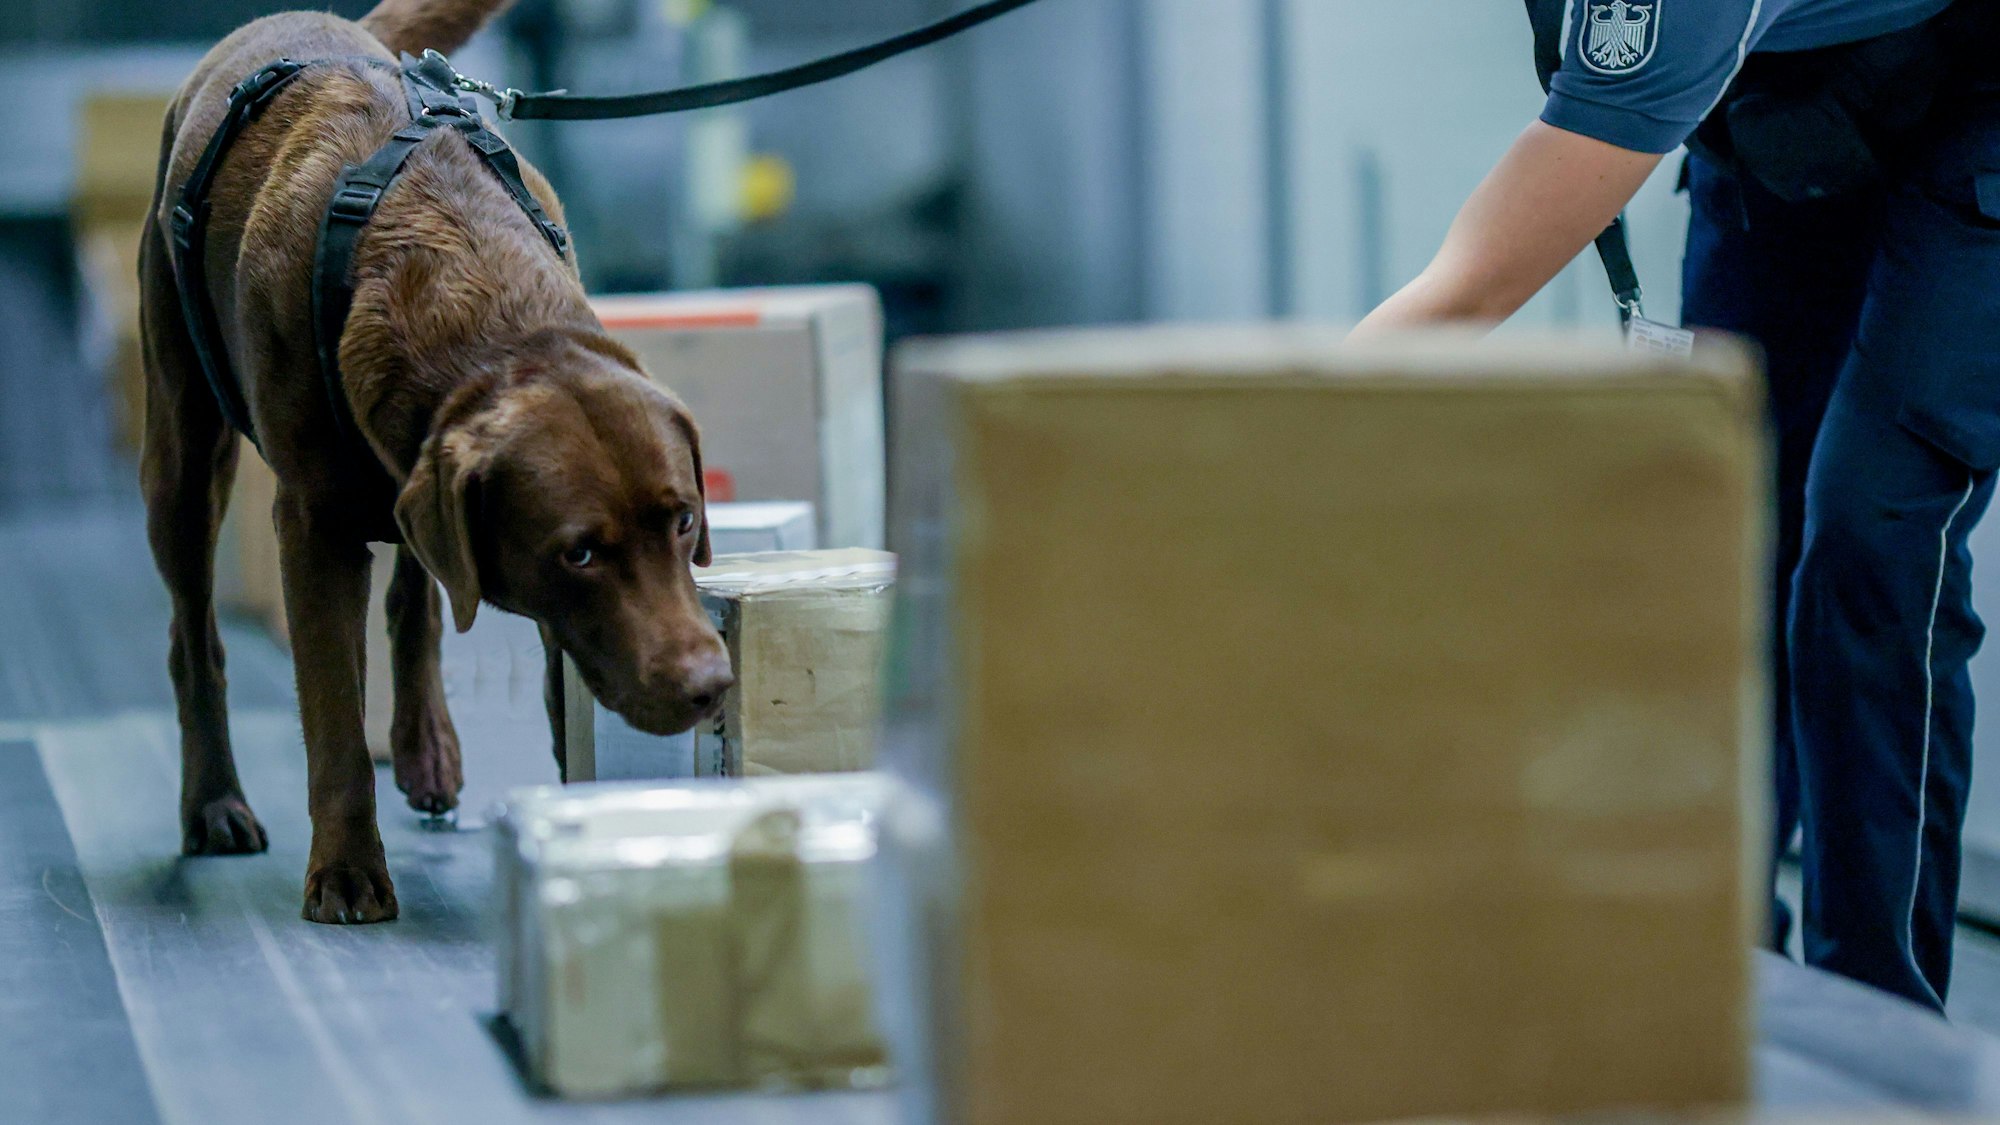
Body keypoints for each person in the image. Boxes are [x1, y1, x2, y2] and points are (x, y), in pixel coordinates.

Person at [1356, 0, 1996, 1012]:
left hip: (1978, 98)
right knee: (1727, 529)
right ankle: (1708, 986)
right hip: (1787, 108)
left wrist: (1231, 440)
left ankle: (1878, 1029)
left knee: (1867, 533)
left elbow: (1467, 289)